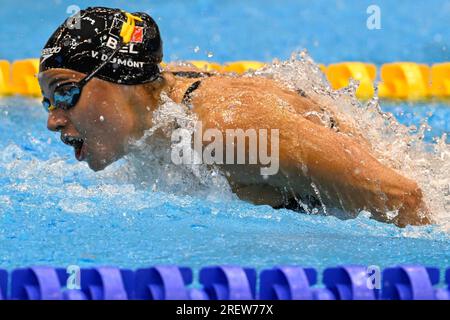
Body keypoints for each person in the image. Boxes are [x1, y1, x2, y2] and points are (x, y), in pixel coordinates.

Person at [38, 7, 431, 227]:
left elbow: (403, 198)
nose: (53, 120)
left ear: (122, 79)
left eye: (66, 92)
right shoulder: (152, 110)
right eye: (48, 102)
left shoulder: (226, 133)